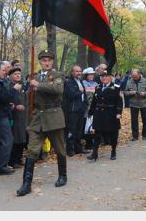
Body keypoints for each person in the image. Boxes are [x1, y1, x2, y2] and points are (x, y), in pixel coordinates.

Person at [16, 50, 67, 196]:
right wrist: (28, 122)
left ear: (52, 62)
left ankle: (63, 175)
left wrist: (38, 84)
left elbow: (58, 89)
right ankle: (26, 184)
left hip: (53, 117)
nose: (46, 62)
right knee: (32, 150)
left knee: (59, 149)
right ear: (40, 62)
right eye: (44, 60)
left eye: (49, 60)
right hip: (37, 119)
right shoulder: (35, 77)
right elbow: (29, 101)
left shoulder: (58, 75)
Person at [87, 71, 123, 161]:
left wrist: (119, 113)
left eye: (106, 76)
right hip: (99, 113)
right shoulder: (98, 87)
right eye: (102, 76)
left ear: (110, 77)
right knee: (97, 134)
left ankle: (113, 151)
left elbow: (119, 102)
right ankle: (94, 153)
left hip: (111, 113)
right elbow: (94, 102)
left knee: (113, 134)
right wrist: (90, 112)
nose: (104, 78)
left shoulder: (116, 88)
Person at [63, 65, 88, 156]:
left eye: (80, 71)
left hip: (81, 109)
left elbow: (84, 94)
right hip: (72, 110)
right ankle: (70, 149)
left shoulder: (80, 81)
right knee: (71, 130)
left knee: (79, 130)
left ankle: (78, 148)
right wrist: (80, 91)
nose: (79, 73)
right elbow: (71, 95)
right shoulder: (69, 82)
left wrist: (85, 105)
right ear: (72, 72)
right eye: (76, 71)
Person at [124, 69, 146, 141]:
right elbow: (125, 92)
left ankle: (145, 135)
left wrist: (145, 94)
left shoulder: (145, 81)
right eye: (133, 76)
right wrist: (129, 93)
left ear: (139, 74)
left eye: (136, 76)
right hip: (133, 104)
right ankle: (135, 136)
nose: (134, 78)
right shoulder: (129, 81)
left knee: (145, 120)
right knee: (134, 121)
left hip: (144, 104)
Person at [9, 67, 28, 168]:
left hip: (23, 117)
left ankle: (19, 158)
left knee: (22, 138)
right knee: (15, 139)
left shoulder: (22, 86)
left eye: (19, 74)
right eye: (15, 74)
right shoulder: (9, 87)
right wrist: (15, 107)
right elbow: (7, 101)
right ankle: (13, 161)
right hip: (14, 117)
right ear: (11, 76)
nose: (18, 75)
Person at [82, 67, 98, 150]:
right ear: (86, 75)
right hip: (87, 107)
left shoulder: (95, 83)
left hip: (95, 107)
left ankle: (93, 142)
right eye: (90, 74)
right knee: (87, 124)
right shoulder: (83, 83)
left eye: (92, 74)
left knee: (93, 125)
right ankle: (88, 143)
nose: (92, 76)